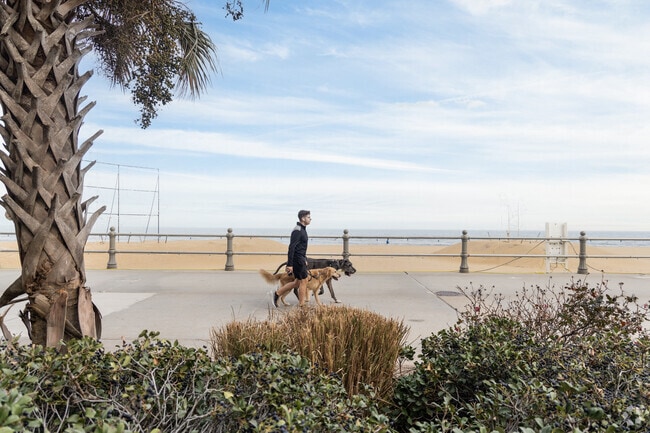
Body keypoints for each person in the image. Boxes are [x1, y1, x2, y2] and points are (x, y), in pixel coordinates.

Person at [273, 210, 311, 307]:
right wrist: (289, 264)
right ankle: (302, 305)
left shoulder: (302, 229)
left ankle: (277, 293)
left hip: (301, 259)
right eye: (308, 217)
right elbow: (292, 247)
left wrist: (305, 258)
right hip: (297, 260)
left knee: (297, 282)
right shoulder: (297, 230)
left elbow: (301, 247)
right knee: (303, 281)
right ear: (302, 218)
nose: (310, 219)